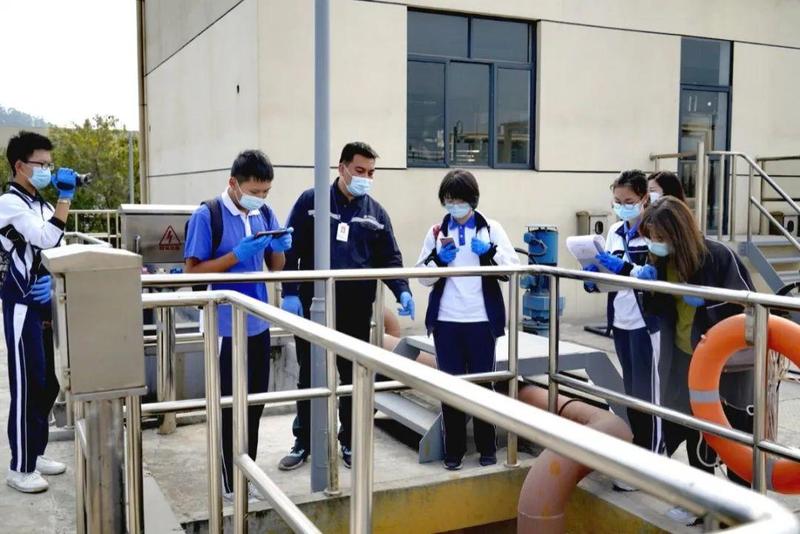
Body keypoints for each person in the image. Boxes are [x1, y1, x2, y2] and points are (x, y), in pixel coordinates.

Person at [279, 142, 414, 470]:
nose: (366, 178)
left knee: (353, 376)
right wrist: (290, 291)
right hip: (314, 304)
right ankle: (304, 441)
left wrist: (402, 290)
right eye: (359, 171)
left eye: (371, 173)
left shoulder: (375, 213)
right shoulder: (312, 202)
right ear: (342, 168)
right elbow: (290, 249)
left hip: (355, 308)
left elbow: (390, 258)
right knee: (310, 374)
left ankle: (350, 441)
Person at [184, 149, 292, 499]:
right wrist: (235, 257)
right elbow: (192, 272)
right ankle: (231, 483)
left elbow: (276, 266)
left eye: (266, 192)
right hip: (224, 327)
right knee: (230, 408)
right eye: (254, 191)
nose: (260, 197)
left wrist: (280, 246)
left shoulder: (264, 213)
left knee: (254, 404)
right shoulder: (208, 215)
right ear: (233, 183)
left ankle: (249, 471)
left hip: (257, 322)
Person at [637, 197, 754, 492]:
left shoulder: (717, 255)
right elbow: (656, 310)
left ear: (678, 233)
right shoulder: (660, 259)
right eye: (651, 237)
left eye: (660, 238)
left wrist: (710, 302)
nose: (655, 244)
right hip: (682, 356)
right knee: (690, 427)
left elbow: (748, 304)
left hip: (722, 362)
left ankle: (741, 503)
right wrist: (648, 288)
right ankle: (702, 497)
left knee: (733, 433)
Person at [416, 169, 519, 470]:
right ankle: (454, 451)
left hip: (481, 320)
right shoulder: (436, 231)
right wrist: (438, 261)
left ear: (472, 200)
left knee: (482, 385)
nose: (454, 206)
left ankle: (487, 447)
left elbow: (512, 268)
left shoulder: (491, 229)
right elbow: (421, 276)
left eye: (460, 200)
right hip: (446, 320)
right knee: (450, 388)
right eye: (449, 200)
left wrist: (490, 252)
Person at [1, 131, 77, 493]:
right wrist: (65, 197)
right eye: (41, 164)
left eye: (50, 164)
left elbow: (57, 244)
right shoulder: (9, 203)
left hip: (44, 301)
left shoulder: (40, 204)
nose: (47, 169)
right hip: (20, 303)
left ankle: (36, 450)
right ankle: (20, 466)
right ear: (20, 165)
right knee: (27, 384)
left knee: (48, 381)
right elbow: (46, 238)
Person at [581, 170, 662, 467]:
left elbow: (653, 275)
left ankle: (652, 459)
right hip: (622, 320)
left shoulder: (655, 229)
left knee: (648, 395)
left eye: (628, 201)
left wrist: (623, 268)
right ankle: (637, 453)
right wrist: (593, 278)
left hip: (646, 323)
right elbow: (610, 274)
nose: (622, 206)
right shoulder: (615, 232)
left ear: (644, 198)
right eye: (617, 201)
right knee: (631, 393)